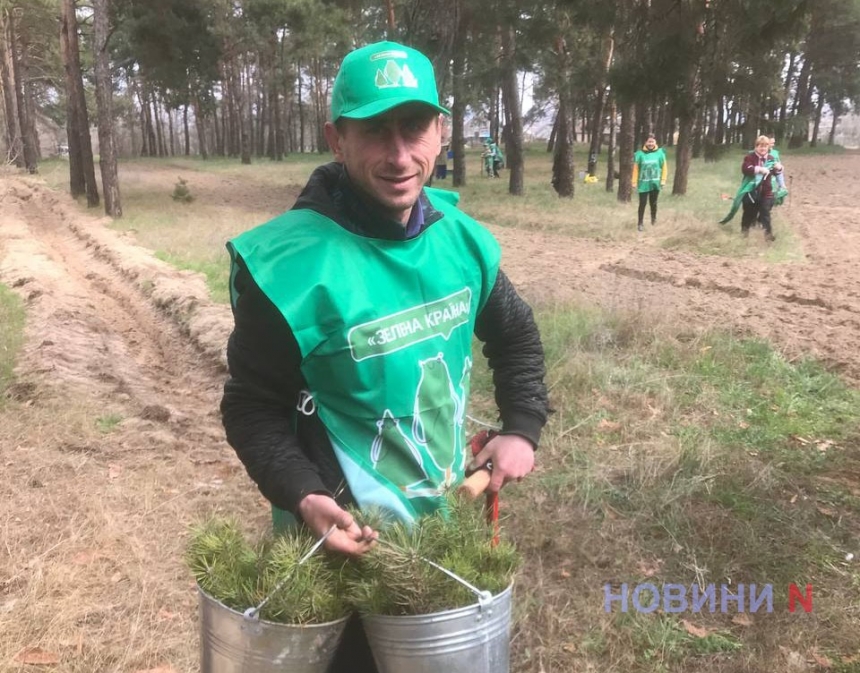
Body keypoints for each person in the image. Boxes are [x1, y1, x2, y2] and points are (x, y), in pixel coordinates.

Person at [220, 40, 549, 672]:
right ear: (336, 139)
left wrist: (522, 428)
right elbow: (251, 407)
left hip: (445, 533)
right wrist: (303, 493)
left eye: (414, 127)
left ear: (441, 133)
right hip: (343, 547)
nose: (399, 155)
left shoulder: (461, 242)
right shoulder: (286, 271)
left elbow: (516, 338)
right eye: (374, 130)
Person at [720, 134, 783, 241]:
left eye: (765, 146)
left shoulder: (771, 158)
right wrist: (758, 169)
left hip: (766, 193)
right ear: (756, 147)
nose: (763, 148)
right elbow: (745, 169)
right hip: (751, 192)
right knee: (749, 215)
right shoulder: (750, 157)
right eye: (760, 146)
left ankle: (768, 236)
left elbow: (776, 173)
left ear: (768, 147)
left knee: (765, 214)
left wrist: (779, 168)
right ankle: (744, 235)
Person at [632, 133, 667, 232]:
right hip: (643, 183)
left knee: (654, 203)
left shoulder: (660, 153)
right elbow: (635, 169)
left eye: (652, 141)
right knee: (642, 203)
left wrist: (663, 180)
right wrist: (634, 182)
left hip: (655, 183)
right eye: (649, 141)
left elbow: (664, 167)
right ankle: (640, 223)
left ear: (655, 142)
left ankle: (653, 220)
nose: (650, 143)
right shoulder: (639, 154)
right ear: (645, 142)